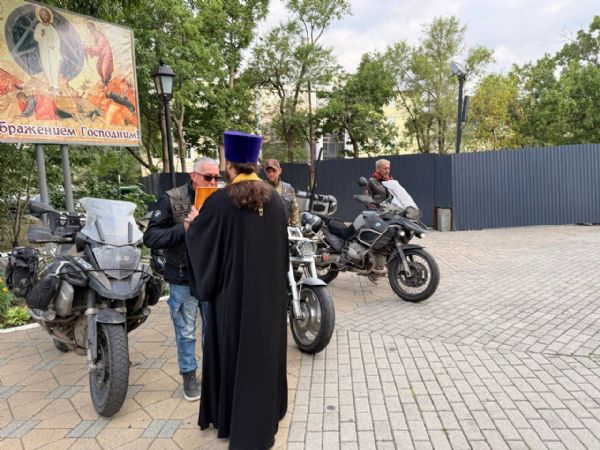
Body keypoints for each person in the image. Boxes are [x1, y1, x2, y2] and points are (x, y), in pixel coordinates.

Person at [186, 131, 288, 449]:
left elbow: (204, 247)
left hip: (232, 301)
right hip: (269, 300)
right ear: (254, 163)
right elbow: (283, 254)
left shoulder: (219, 202)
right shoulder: (276, 201)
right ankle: (265, 414)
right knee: (264, 356)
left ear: (229, 164)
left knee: (232, 355)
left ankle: (232, 419)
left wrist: (192, 227)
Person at [143, 157, 221, 401]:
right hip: (182, 276)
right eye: (208, 177)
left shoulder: (220, 199)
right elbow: (151, 237)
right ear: (193, 176)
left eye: (217, 178)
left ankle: (213, 375)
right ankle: (189, 376)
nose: (213, 182)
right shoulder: (172, 199)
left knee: (213, 330)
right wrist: (184, 229)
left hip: (210, 276)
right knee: (186, 332)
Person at [33, 7, 61, 96]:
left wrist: (54, 46)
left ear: (49, 15)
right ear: (40, 16)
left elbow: (57, 39)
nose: (44, 16)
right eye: (42, 15)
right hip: (44, 50)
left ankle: (56, 85)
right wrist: (41, 35)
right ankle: (51, 85)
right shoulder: (39, 26)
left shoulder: (51, 27)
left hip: (52, 51)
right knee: (47, 65)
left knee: (54, 66)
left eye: (45, 14)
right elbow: (36, 36)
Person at [263, 158, 300, 226]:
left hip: (284, 227)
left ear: (280, 171)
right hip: (266, 227)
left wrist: (295, 227)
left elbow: (294, 208)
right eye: (268, 171)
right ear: (265, 172)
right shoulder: (261, 188)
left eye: (274, 171)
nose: (271, 174)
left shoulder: (287, 188)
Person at [84, 21, 114, 86]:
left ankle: (106, 84)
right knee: (99, 67)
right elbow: (97, 48)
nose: (90, 29)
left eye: (90, 27)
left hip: (106, 52)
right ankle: (105, 83)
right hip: (103, 53)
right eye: (89, 27)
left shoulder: (98, 34)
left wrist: (90, 49)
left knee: (104, 69)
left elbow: (100, 47)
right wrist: (90, 49)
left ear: (93, 27)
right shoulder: (94, 35)